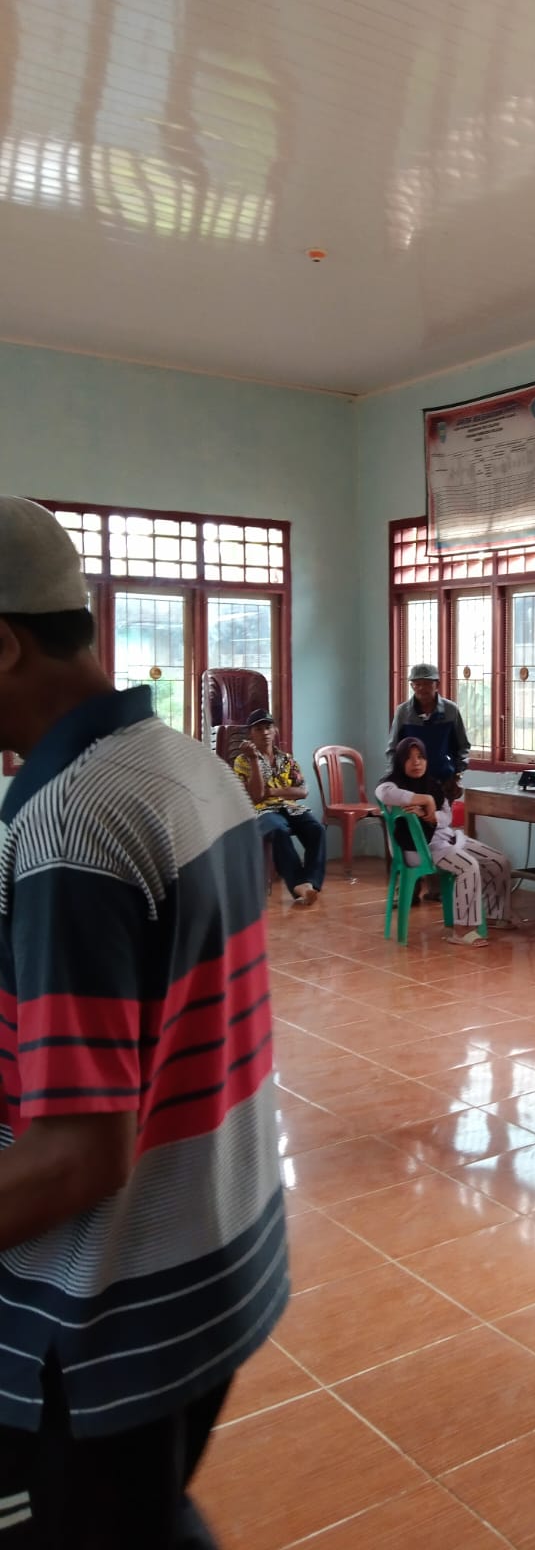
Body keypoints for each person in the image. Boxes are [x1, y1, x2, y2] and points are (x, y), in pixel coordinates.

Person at [0, 498, 288, 1548]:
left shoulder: (72, 822)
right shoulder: (185, 765)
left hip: (104, 1317)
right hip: (215, 1260)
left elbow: (79, 1155)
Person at [377, 736, 513, 947]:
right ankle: (462, 930)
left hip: (446, 838)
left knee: (498, 861)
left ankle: (495, 915)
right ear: (399, 761)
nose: (416, 763)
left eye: (421, 757)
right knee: (468, 866)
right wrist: (426, 800)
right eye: (409, 758)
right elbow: (384, 794)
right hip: (418, 848)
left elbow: (446, 817)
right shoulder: (390, 785)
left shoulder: (432, 784)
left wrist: (429, 815)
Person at [233, 707, 326, 908]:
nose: (265, 733)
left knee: (316, 829)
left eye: (268, 727)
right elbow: (256, 797)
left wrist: (272, 791)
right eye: (258, 729)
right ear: (250, 734)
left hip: (290, 808)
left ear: (275, 730)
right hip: (261, 811)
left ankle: (311, 882)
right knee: (278, 830)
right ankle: (299, 886)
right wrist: (254, 759)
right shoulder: (242, 761)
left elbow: (302, 791)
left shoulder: (286, 759)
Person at [387, 662, 470, 791]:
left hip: (443, 781)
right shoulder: (403, 712)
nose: (422, 688)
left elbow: (463, 747)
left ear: (437, 685)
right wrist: (395, 779)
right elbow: (393, 749)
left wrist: (457, 776)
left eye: (427, 683)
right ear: (412, 686)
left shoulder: (451, 710)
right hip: (410, 783)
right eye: (417, 684)